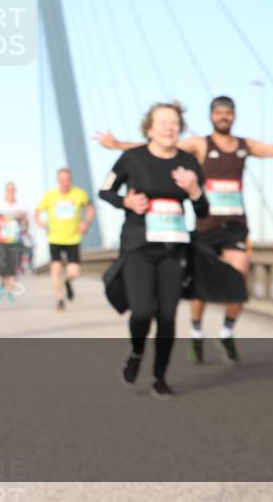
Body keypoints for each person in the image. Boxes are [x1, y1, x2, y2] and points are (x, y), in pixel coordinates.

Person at [96, 95, 273, 364]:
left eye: (228, 112)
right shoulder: (200, 144)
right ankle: (196, 332)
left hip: (234, 225)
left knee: (239, 277)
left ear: (234, 116)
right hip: (206, 225)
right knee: (201, 283)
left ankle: (226, 332)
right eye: (218, 113)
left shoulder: (244, 145)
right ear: (211, 116)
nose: (223, 116)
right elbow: (163, 145)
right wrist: (120, 145)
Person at [99, 102, 209, 398]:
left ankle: (160, 377)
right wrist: (125, 202)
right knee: (142, 312)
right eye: (162, 122)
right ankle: (136, 351)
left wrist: (194, 190)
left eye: (174, 122)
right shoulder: (131, 158)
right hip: (138, 245)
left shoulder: (188, 162)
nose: (169, 127)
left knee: (168, 316)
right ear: (149, 128)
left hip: (174, 249)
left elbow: (203, 209)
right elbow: (105, 190)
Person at [35, 168, 95, 312]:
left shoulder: (79, 194)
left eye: (67, 179)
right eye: (62, 180)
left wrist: (86, 223)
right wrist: (40, 222)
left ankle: (67, 281)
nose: (65, 182)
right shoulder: (50, 196)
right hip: (55, 238)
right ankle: (60, 299)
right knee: (55, 269)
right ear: (58, 180)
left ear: (71, 179)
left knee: (74, 272)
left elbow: (90, 209)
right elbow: (37, 212)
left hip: (73, 239)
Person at [0, 182, 29, 302]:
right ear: (5, 191)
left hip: (16, 240)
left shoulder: (21, 205)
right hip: (1, 239)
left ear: (15, 191)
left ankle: (10, 291)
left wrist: (22, 221)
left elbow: (26, 222)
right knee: (2, 267)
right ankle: (2, 283)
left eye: (13, 190)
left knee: (13, 267)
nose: (11, 192)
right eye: (9, 190)